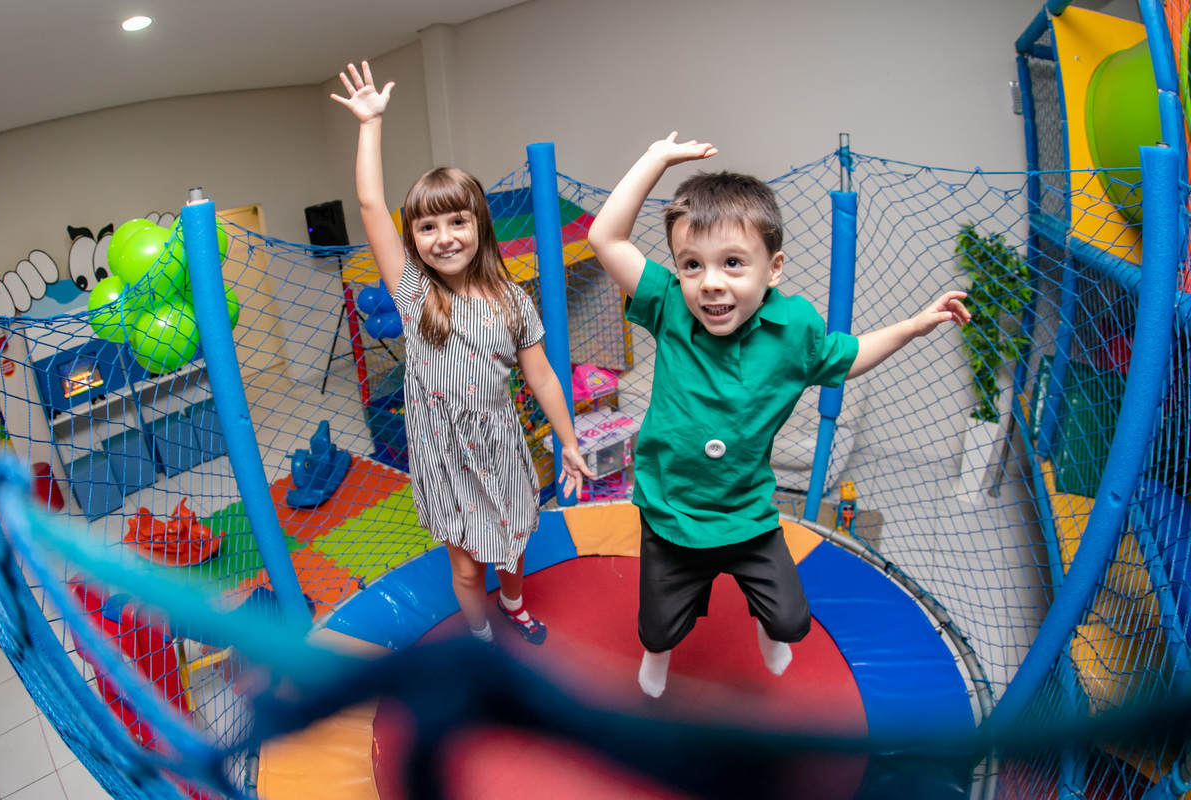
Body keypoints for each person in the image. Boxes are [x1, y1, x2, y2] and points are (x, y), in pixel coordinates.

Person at [587, 132, 970, 697]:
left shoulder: (795, 331)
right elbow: (605, 236)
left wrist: (914, 324)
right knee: (658, 628)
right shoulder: (668, 305)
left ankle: (769, 632)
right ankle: (659, 655)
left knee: (792, 620)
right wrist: (655, 159)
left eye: (733, 263)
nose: (711, 282)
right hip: (672, 514)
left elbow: (852, 355)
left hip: (746, 514)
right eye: (692, 264)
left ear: (775, 269)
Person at [333, 61, 593, 645]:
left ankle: (515, 601)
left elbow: (545, 377)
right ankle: (479, 633)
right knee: (467, 564)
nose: (444, 236)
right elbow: (372, 204)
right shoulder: (413, 292)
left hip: (499, 438)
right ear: (413, 241)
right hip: (442, 446)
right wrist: (370, 124)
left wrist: (568, 441)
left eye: (457, 221)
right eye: (427, 228)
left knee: (512, 542)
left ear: (480, 226)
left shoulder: (513, 301)